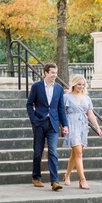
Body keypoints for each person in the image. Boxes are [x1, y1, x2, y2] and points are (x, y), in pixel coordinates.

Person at [26, 63, 69, 191]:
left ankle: (55, 181)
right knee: (38, 152)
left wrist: (65, 124)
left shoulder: (59, 89)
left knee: (53, 152)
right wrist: (34, 119)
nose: (54, 75)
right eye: (52, 73)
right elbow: (29, 104)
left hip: (53, 124)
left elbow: (61, 108)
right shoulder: (36, 87)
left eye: (56, 73)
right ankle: (36, 177)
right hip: (39, 123)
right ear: (45, 73)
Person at [63, 74, 102, 189]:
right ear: (74, 84)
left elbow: (90, 114)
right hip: (71, 125)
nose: (80, 86)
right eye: (78, 84)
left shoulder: (86, 98)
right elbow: (62, 112)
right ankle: (82, 180)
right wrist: (63, 126)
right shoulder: (66, 97)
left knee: (75, 153)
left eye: (83, 84)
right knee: (79, 153)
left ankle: (67, 174)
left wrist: (98, 128)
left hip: (83, 126)